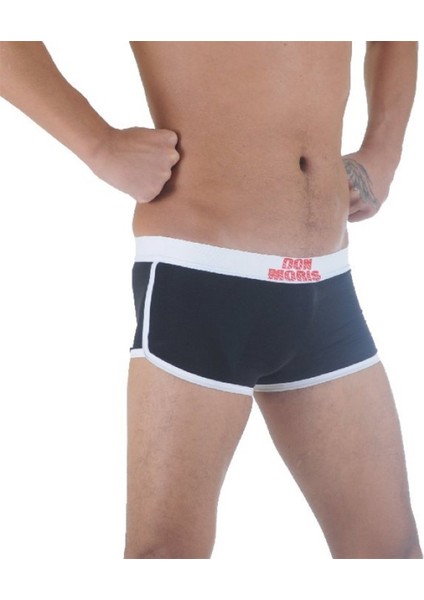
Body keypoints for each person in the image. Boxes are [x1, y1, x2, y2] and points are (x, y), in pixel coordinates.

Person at [0, 41, 421, 559]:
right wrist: (99, 145)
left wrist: (384, 152)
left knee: (392, 555)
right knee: (164, 558)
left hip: (326, 284)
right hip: (202, 272)